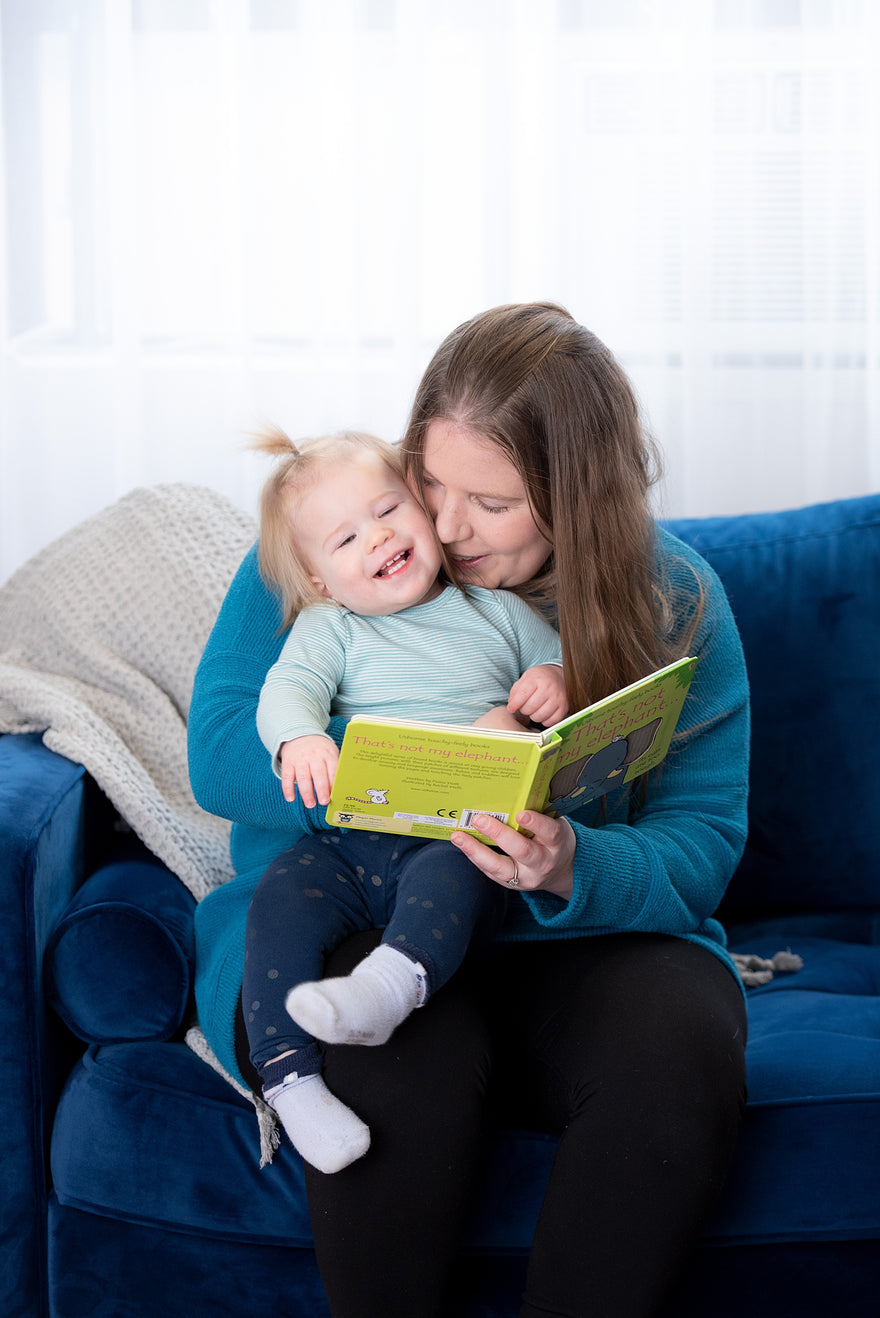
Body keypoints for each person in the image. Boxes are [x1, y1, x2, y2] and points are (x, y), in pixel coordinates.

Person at [190, 302, 750, 1318]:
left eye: (488, 503)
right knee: (392, 1052)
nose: (442, 527)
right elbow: (221, 752)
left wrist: (569, 861)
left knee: (681, 1038)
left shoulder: (677, 598)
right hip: (352, 908)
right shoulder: (343, 534)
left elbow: (700, 846)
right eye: (430, 483)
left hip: (560, 950)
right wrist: (416, 774)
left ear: (576, 500)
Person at [242, 427, 566, 1174]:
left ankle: (388, 988)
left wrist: (554, 681)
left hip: (449, 834)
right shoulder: (333, 628)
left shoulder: (492, 608)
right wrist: (300, 740)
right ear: (322, 581)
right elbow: (287, 691)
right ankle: (291, 1082)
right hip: (345, 840)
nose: (378, 538)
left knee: (460, 884)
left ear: (425, 510)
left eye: (389, 510)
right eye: (347, 538)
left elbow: (556, 652)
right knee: (278, 908)